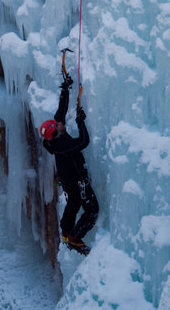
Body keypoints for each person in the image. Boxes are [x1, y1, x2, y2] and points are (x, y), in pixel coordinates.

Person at [40, 76, 99, 255]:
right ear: (56, 133)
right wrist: (80, 121)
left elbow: (61, 111)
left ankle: (66, 231)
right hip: (77, 182)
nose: (60, 123)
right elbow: (83, 141)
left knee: (73, 204)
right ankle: (74, 237)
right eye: (58, 126)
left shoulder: (54, 138)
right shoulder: (63, 146)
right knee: (92, 210)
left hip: (70, 181)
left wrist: (65, 90)